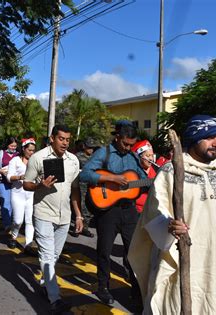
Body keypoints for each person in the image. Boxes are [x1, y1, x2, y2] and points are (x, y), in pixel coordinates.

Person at [128, 115, 216, 314]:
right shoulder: (171, 171)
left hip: (214, 261)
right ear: (194, 137)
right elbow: (153, 214)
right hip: (179, 261)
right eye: (210, 137)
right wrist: (169, 225)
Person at [80, 120, 146, 308]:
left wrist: (152, 180)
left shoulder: (133, 157)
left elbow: (141, 179)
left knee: (134, 253)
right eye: (125, 143)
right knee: (104, 251)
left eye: (131, 145)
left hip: (129, 211)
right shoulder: (104, 152)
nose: (128, 147)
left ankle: (137, 292)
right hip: (108, 211)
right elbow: (85, 174)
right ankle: (103, 288)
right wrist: (112, 178)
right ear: (117, 138)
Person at [23, 125, 83, 314]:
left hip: (64, 216)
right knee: (47, 256)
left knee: (55, 256)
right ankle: (55, 298)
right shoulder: (38, 158)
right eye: (61, 139)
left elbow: (75, 189)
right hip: (43, 213)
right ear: (52, 138)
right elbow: (26, 184)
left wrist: (78, 215)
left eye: (67, 139)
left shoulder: (73, 160)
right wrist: (40, 185)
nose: (65, 143)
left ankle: (44, 283)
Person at [6, 138, 36, 254]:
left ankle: (28, 244)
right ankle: (13, 236)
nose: (31, 153)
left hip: (31, 194)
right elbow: (9, 177)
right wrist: (19, 177)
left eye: (33, 150)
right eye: (29, 150)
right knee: (18, 221)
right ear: (23, 149)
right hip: (17, 194)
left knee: (29, 220)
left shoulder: (35, 161)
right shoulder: (15, 161)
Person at [71, 137, 101, 238]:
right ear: (84, 147)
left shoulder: (95, 157)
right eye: (89, 147)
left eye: (92, 148)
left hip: (92, 186)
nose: (91, 150)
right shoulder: (77, 157)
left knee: (89, 207)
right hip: (80, 185)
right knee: (80, 206)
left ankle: (85, 228)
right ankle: (77, 227)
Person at [0, 136, 19, 231]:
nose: (13, 148)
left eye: (15, 146)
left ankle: (14, 224)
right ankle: (7, 225)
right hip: (2, 182)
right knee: (6, 203)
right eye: (11, 146)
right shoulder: (0, 154)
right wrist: (0, 171)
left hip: (15, 183)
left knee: (14, 204)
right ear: (7, 145)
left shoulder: (18, 155)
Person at [132, 139, 159, 213]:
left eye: (152, 155)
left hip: (153, 211)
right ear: (139, 157)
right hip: (137, 211)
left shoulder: (157, 170)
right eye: (147, 155)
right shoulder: (133, 171)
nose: (151, 158)